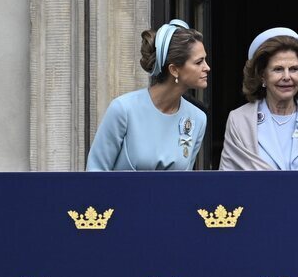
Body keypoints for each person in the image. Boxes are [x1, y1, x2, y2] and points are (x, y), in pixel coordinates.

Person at [87, 19, 209, 170]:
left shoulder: (197, 118)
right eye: (199, 62)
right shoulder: (123, 110)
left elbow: (183, 183)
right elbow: (96, 173)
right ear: (174, 70)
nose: (207, 67)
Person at [220, 28, 298, 170]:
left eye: (294, 69)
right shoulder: (240, 121)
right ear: (262, 75)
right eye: (278, 69)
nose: (287, 77)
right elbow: (227, 182)